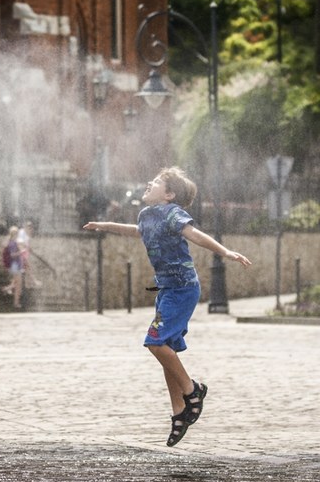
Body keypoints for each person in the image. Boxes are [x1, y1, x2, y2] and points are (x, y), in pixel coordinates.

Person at [83, 167, 251, 447]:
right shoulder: (146, 215)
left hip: (183, 289)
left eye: (157, 182)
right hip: (166, 290)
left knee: (155, 342)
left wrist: (225, 252)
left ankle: (192, 390)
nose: (149, 183)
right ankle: (179, 413)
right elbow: (135, 232)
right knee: (166, 350)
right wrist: (104, 226)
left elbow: (195, 235)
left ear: (169, 194)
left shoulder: (173, 214)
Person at [1, 226, 25, 309]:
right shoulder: (12, 243)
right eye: (17, 233)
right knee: (18, 285)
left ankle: (6, 289)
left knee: (17, 284)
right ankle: (16, 303)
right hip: (15, 265)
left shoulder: (13, 242)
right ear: (15, 234)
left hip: (16, 265)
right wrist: (21, 252)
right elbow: (12, 255)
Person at [17, 221, 43, 289]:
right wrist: (26, 248)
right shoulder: (21, 232)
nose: (31, 229)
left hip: (24, 253)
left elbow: (26, 244)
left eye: (31, 228)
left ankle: (27, 283)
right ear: (25, 227)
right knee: (27, 267)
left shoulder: (27, 234)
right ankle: (33, 281)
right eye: (29, 227)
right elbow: (19, 243)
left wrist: (28, 248)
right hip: (20, 253)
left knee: (25, 269)